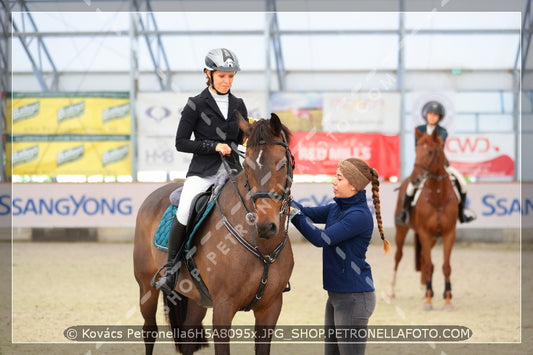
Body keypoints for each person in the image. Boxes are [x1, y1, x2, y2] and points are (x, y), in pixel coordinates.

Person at [153, 48, 248, 295]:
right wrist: (214, 145)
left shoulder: (239, 105)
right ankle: (172, 269)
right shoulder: (195, 104)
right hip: (203, 171)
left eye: (230, 77)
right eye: (221, 76)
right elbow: (181, 142)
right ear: (209, 74)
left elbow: (242, 140)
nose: (226, 81)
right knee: (185, 208)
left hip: (232, 172)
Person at [290, 158, 391, 355]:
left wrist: (293, 215)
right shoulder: (337, 207)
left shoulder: (358, 216)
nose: (333, 182)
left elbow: (321, 238)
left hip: (354, 299)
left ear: (353, 185)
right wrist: (281, 195)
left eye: (339, 178)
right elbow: (306, 212)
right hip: (337, 296)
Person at [396, 100, 475, 226]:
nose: (432, 117)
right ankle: (404, 212)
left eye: (435, 115)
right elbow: (418, 148)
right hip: (424, 166)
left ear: (439, 117)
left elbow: (438, 143)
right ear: (426, 115)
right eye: (430, 114)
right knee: (411, 186)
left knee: (462, 183)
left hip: (442, 165)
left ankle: (462, 213)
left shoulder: (442, 131)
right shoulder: (419, 130)